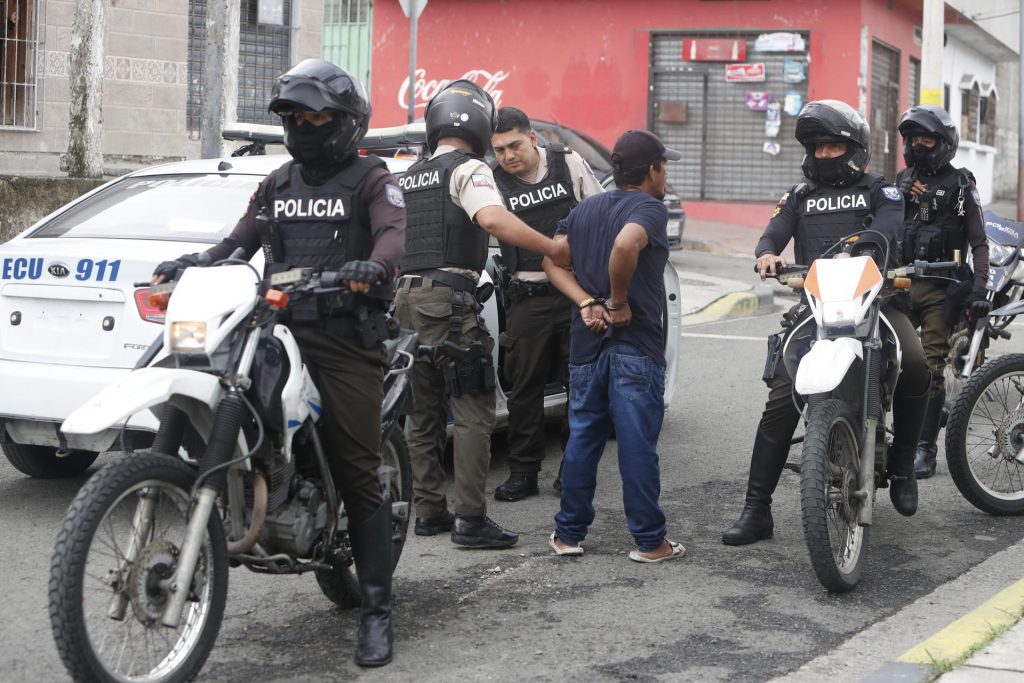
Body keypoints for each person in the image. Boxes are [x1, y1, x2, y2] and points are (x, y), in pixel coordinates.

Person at [151, 59, 403, 667]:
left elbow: (394, 235)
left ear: (345, 121)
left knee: (359, 470)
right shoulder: (278, 182)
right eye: (294, 115)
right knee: (193, 381)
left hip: (343, 338)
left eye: (317, 114)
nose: (304, 124)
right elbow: (240, 241)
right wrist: (195, 262)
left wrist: (375, 266)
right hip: (274, 322)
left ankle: (375, 610)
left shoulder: (372, 177)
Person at [721, 100, 931, 547]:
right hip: (816, 309)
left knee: (916, 365)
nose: (824, 154)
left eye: (834, 145)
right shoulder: (799, 196)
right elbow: (774, 232)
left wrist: (875, 251)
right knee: (781, 395)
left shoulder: (881, 190)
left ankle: (902, 468)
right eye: (817, 146)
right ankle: (756, 509)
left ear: (855, 148)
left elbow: (890, 227)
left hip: (876, 303)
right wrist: (767, 254)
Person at [394, 80, 570, 549]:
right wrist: (551, 246)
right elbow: (492, 219)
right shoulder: (469, 168)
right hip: (449, 301)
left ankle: (429, 511)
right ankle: (470, 520)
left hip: (405, 300)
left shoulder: (407, 174)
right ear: (477, 125)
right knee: (473, 408)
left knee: (423, 411)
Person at [542, 129, 684, 563]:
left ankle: (567, 535)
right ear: (653, 170)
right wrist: (617, 302)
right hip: (634, 344)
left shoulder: (584, 208)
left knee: (583, 437)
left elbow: (552, 258)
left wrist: (586, 301)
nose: (665, 176)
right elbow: (626, 243)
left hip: (587, 342)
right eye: (664, 167)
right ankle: (649, 542)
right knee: (637, 442)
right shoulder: (649, 208)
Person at [489, 106, 605, 501]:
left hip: (577, 293)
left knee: (582, 386)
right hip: (528, 296)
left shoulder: (567, 162)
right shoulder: (491, 180)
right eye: (500, 149)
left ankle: (574, 469)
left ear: (532, 138)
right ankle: (523, 472)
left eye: (515, 145)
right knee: (524, 388)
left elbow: (600, 213)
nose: (508, 156)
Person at [895, 104, 990, 479]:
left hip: (941, 289)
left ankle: (924, 448)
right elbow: (879, 230)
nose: (919, 145)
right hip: (900, 284)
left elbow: (979, 243)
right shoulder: (901, 182)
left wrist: (980, 288)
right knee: (882, 358)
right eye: (913, 138)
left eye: (927, 139)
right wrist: (897, 196)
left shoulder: (961, 186)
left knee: (930, 368)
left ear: (943, 143)